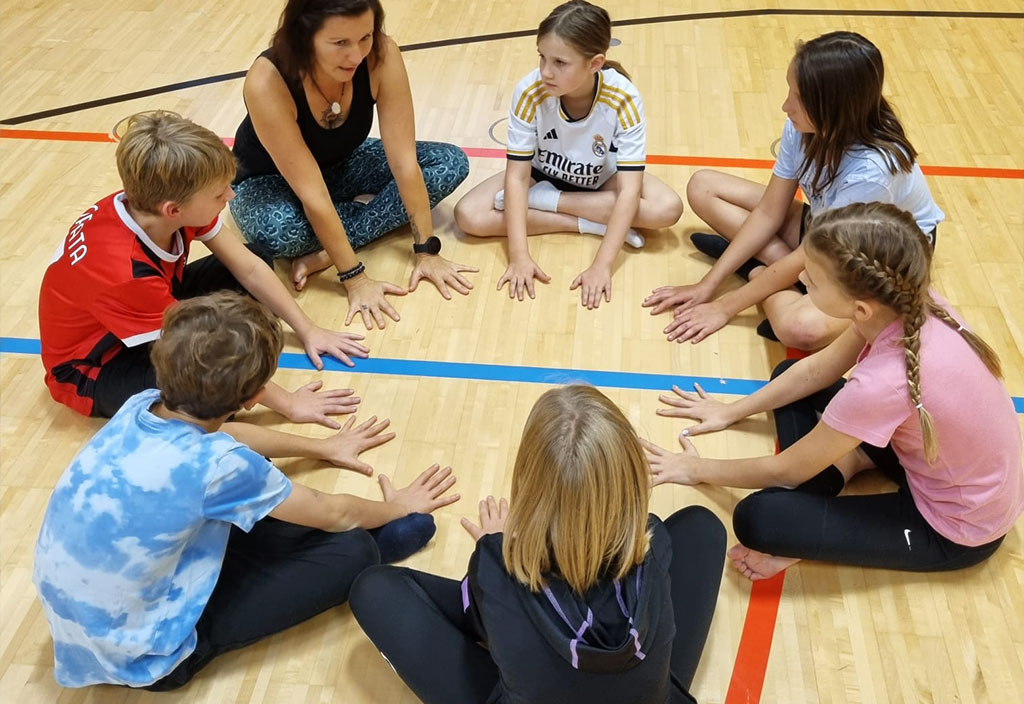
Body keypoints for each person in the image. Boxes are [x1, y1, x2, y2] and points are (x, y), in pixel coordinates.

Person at [33, 292, 460, 689]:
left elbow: (232, 437)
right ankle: (374, 551)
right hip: (148, 657)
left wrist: (323, 446)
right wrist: (395, 508)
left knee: (259, 488)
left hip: (81, 628)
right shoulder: (215, 465)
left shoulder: (140, 403)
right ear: (255, 396)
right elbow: (334, 513)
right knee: (353, 551)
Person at [647, 203, 1023, 581]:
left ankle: (832, 485)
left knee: (758, 518)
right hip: (936, 461)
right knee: (790, 372)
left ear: (859, 307)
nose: (802, 278)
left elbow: (786, 469)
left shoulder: (883, 383)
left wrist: (692, 468)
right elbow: (815, 371)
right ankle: (846, 465)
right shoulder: (906, 303)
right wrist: (730, 411)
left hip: (957, 530)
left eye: (812, 277)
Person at [350, 385, 726, 704]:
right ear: (629, 481)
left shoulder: (496, 565)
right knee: (703, 526)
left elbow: (480, 628)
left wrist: (498, 548)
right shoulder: (654, 543)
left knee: (374, 589)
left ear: (527, 486)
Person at [38, 111, 368, 432]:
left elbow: (248, 267)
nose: (231, 194)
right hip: (94, 368)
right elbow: (199, 352)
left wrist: (308, 329)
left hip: (142, 308)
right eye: (219, 193)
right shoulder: (125, 273)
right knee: (211, 388)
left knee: (255, 257)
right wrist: (290, 404)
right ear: (174, 210)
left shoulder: (152, 203)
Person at [643, 31, 945, 349]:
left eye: (798, 98)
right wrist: (708, 284)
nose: (786, 105)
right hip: (824, 230)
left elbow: (812, 254)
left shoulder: (872, 172)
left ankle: (759, 271)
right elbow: (769, 211)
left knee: (801, 330)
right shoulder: (805, 126)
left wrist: (724, 306)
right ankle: (777, 276)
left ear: (833, 108)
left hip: (872, 259)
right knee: (703, 187)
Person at [229, 0, 476, 329]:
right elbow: (311, 194)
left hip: (343, 163)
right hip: (269, 182)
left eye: (365, 37)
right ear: (304, 35)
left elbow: (405, 162)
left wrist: (426, 251)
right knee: (278, 231)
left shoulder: (382, 54)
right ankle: (336, 241)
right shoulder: (267, 81)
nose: (356, 55)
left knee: (448, 162)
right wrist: (355, 277)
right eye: (339, 43)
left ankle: (324, 250)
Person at [453, 0, 683, 309]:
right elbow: (518, 178)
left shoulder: (623, 96)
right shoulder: (529, 91)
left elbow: (629, 189)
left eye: (560, 63)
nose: (546, 72)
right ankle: (589, 223)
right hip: (541, 174)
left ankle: (547, 204)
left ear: (595, 63)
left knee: (667, 209)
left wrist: (602, 264)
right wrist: (520, 258)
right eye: (542, 58)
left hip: (602, 178)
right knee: (468, 215)